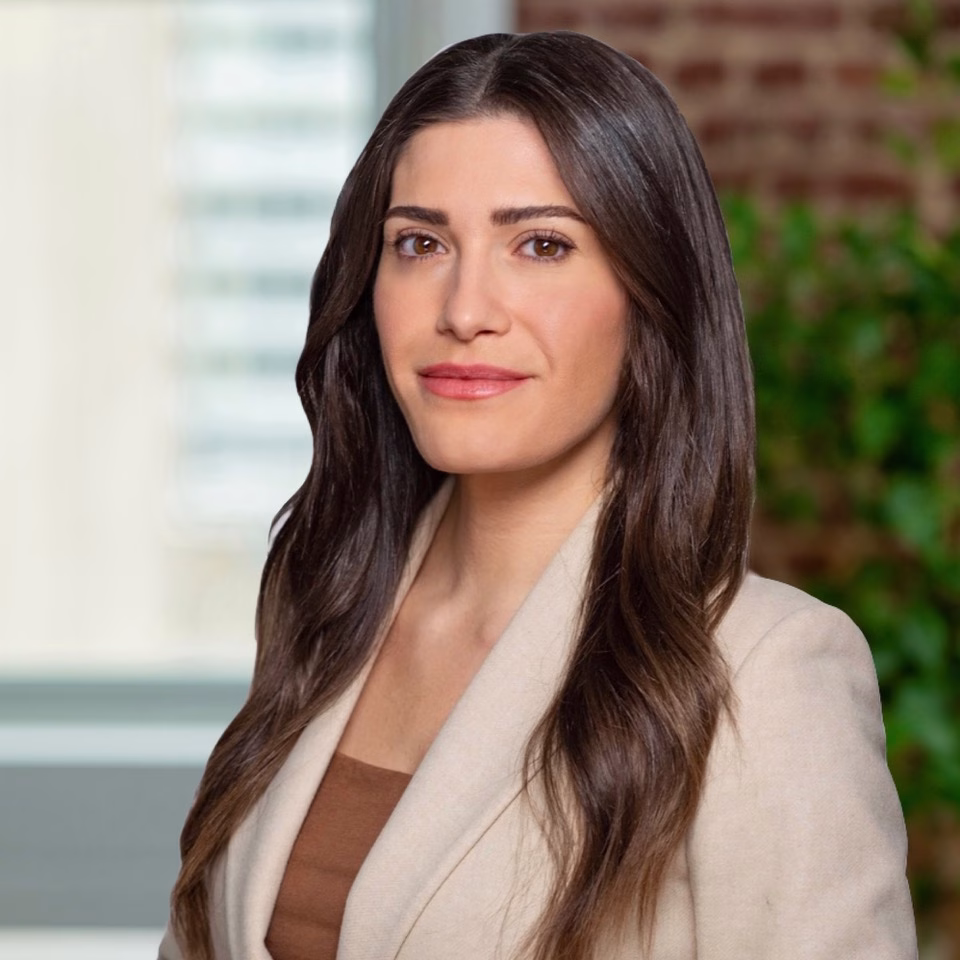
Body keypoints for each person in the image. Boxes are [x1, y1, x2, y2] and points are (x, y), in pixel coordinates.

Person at [159, 30, 917, 960]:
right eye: (420, 242)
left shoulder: (764, 675)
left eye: (542, 243)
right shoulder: (323, 605)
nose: (465, 308)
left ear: (651, 295)